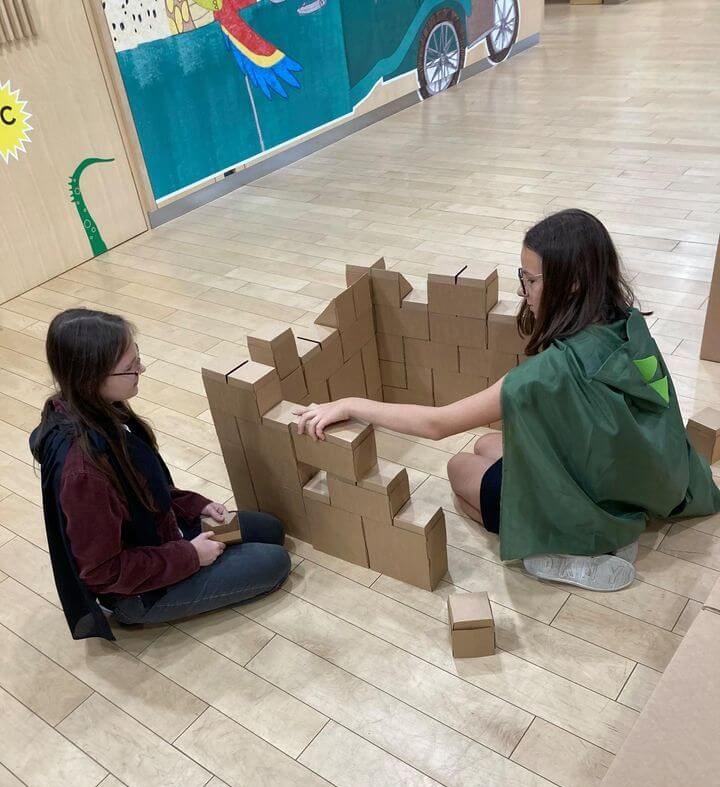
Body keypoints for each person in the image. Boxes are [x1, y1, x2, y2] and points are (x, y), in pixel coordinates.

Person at [296, 209, 720, 592]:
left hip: (595, 499)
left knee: (458, 467)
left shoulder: (545, 375)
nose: (524, 291)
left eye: (531, 280)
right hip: (634, 477)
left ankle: (563, 552)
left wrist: (351, 405)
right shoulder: (627, 324)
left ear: (572, 282)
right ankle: (614, 528)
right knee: (486, 444)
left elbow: (437, 424)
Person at [31, 308, 290, 641]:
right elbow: (103, 572)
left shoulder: (102, 408)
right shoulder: (84, 473)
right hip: (139, 590)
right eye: (131, 367)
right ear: (91, 377)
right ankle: (150, 606)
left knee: (270, 529)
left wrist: (197, 507)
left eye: (137, 358)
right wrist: (191, 556)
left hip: (164, 534)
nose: (141, 370)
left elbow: (150, 492)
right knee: (275, 562)